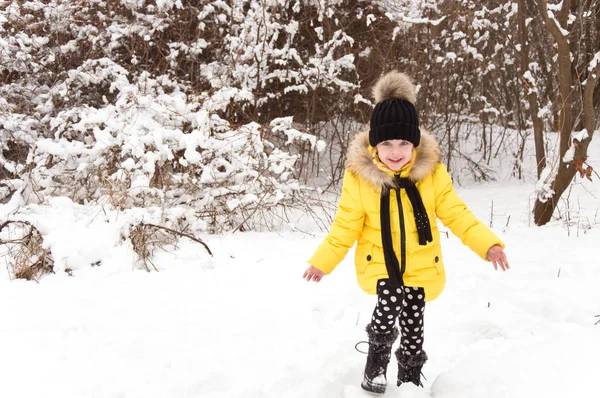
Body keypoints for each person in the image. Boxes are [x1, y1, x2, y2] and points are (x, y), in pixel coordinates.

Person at [302, 70, 510, 394]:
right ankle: (376, 362)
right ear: (375, 144)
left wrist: (489, 246)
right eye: (387, 142)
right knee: (391, 298)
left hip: (421, 265)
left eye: (403, 142)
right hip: (380, 262)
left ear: (414, 142)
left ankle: (410, 377)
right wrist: (322, 262)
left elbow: (457, 214)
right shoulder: (360, 179)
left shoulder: (432, 175)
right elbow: (344, 226)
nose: (395, 151)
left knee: (414, 322)